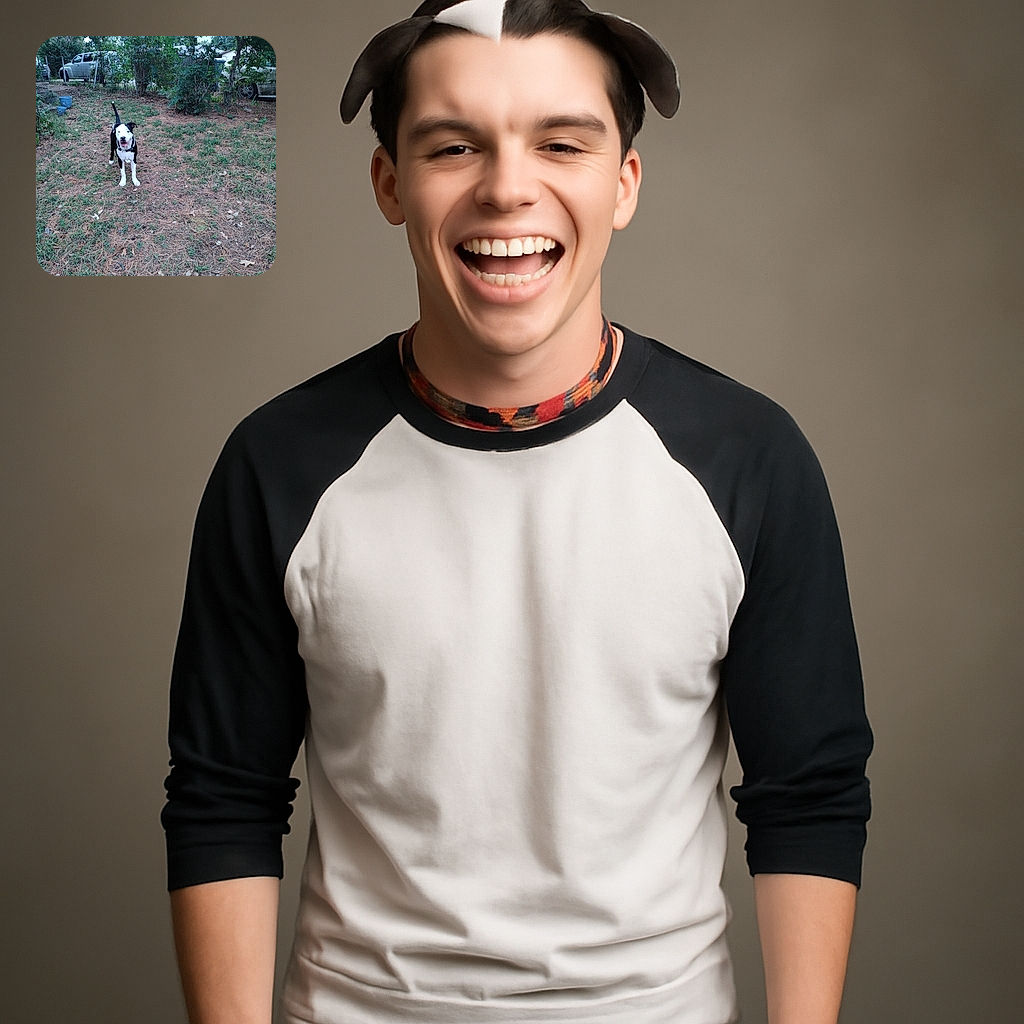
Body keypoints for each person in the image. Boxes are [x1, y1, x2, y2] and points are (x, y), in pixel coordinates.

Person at [162, 2, 873, 1022]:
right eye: (452, 146)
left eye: (560, 142)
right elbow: (222, 799)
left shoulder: (747, 458)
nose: (506, 186)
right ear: (389, 183)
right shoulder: (277, 464)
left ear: (622, 181)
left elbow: (807, 797)